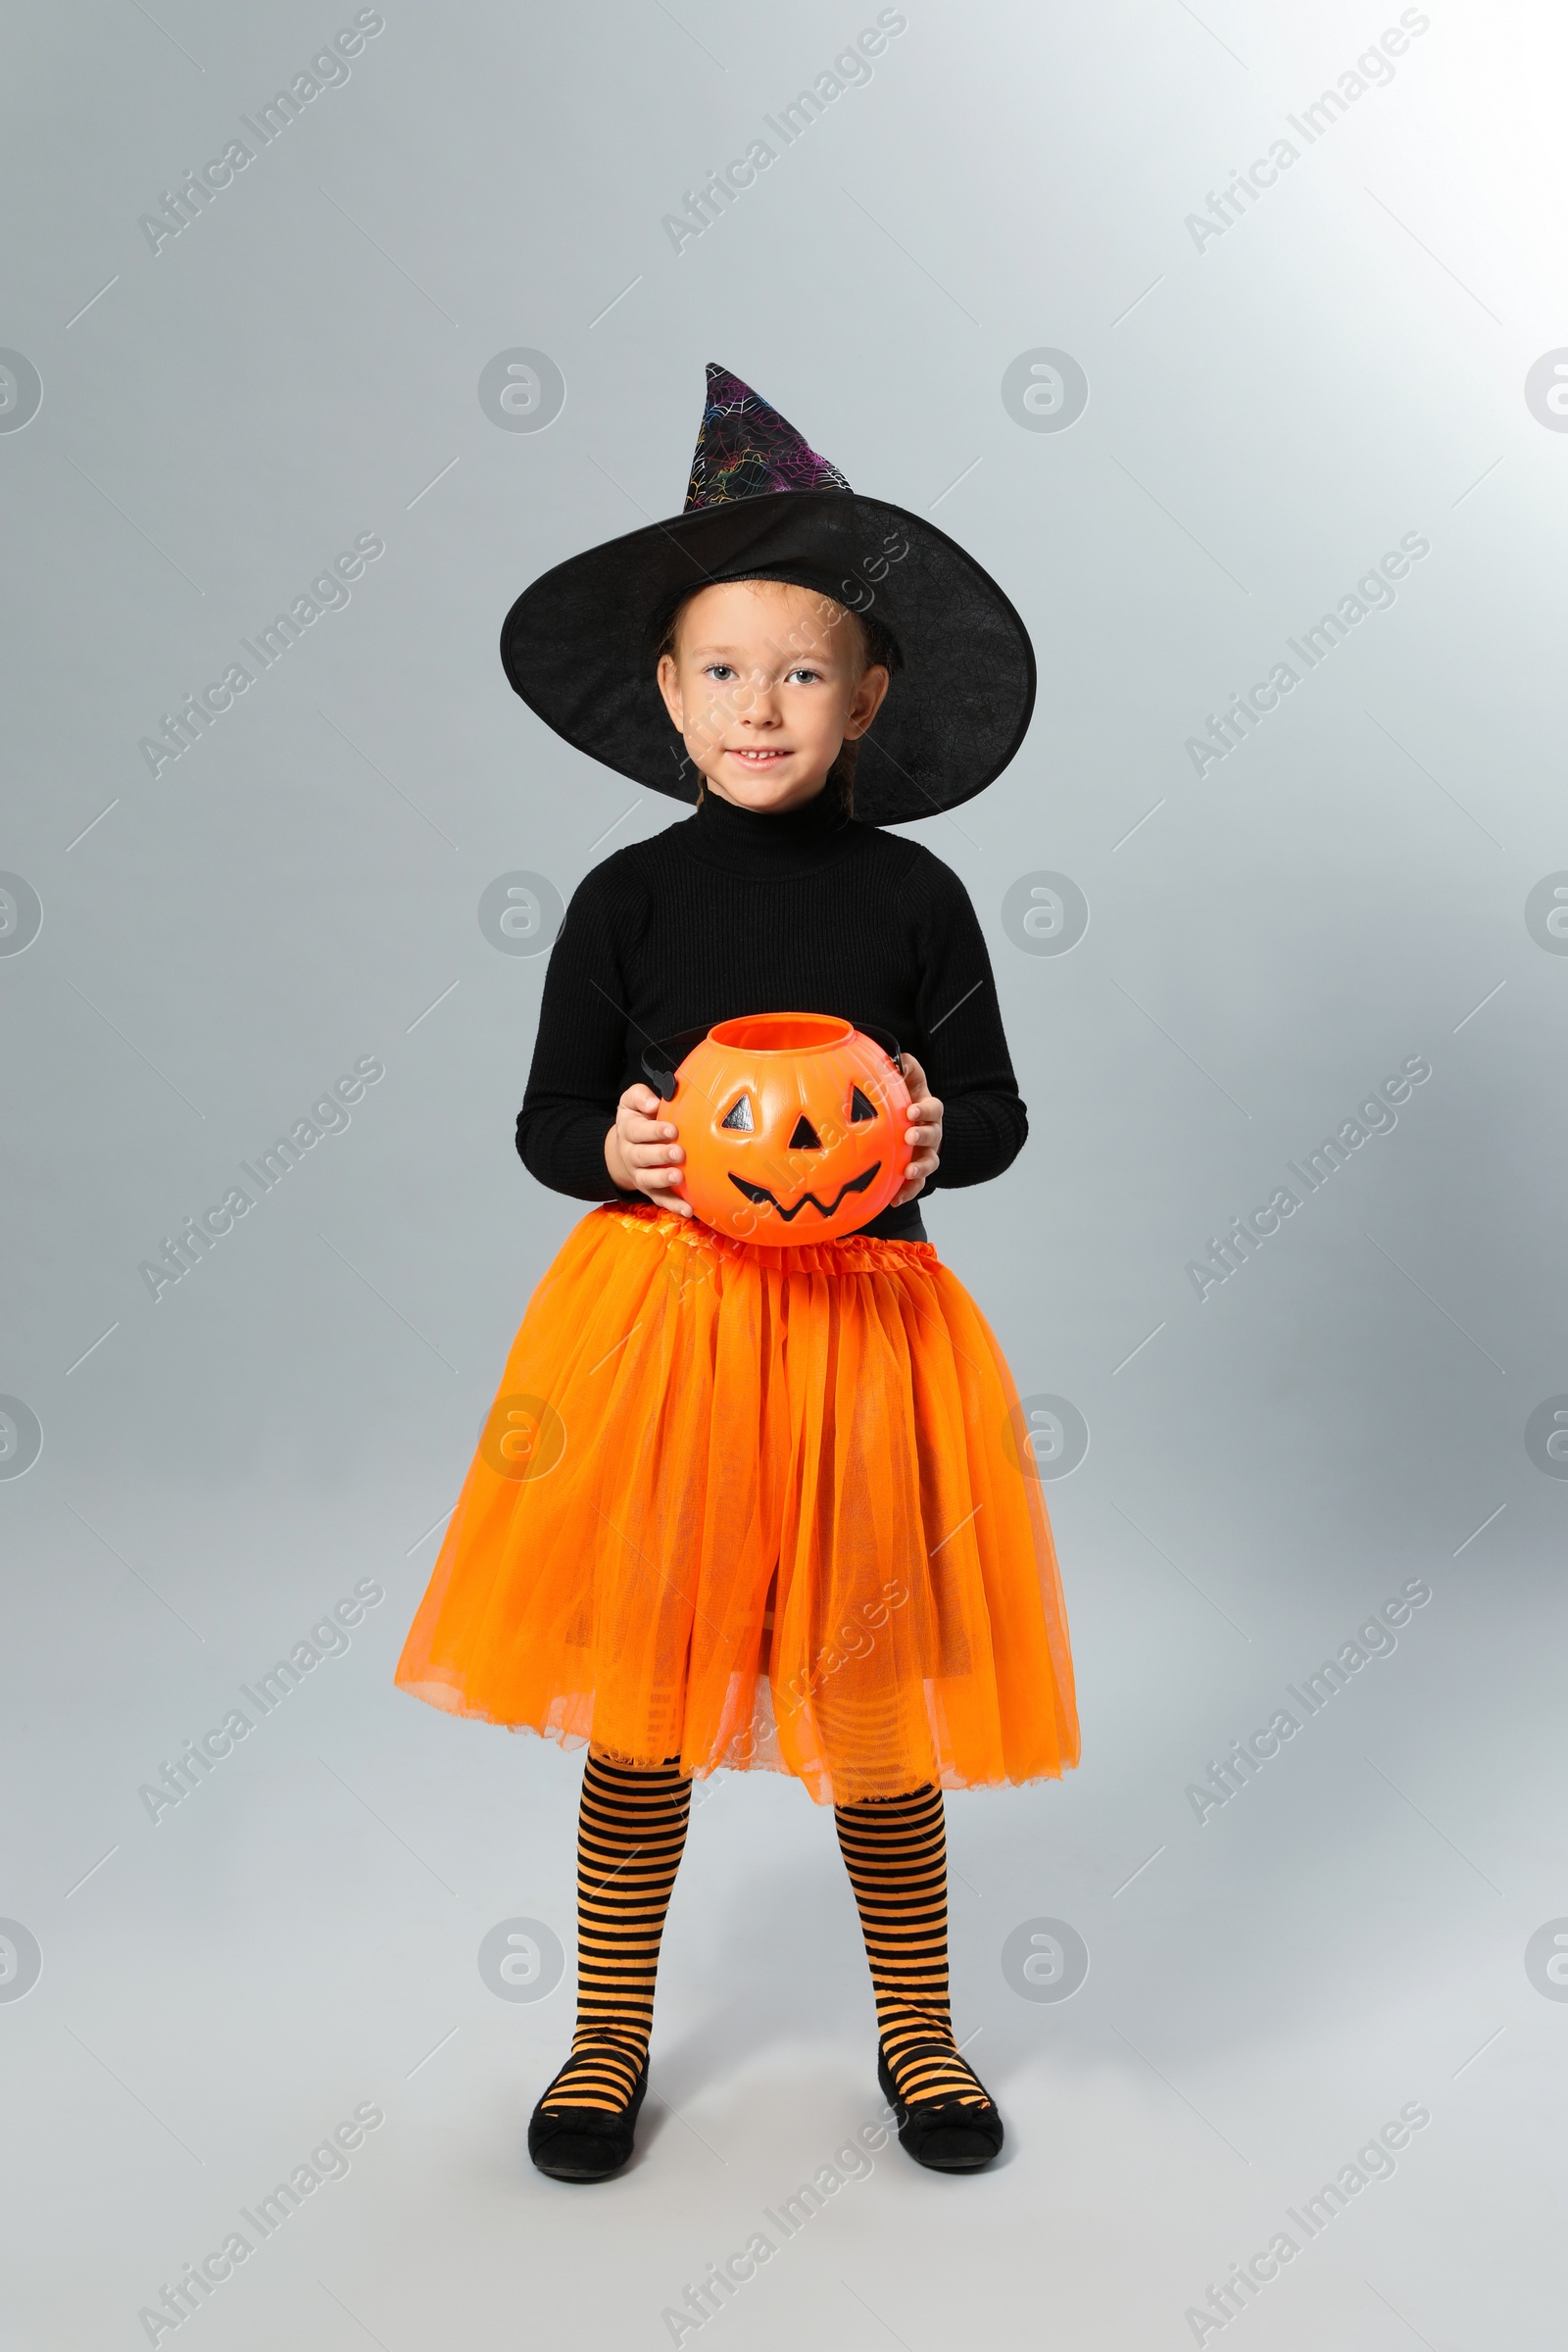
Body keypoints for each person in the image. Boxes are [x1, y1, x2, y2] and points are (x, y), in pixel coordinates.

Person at [395, 365, 1079, 2181]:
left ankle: (922, 2036)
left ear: (866, 700)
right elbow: (547, 1120)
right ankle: (604, 2038)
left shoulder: (915, 903)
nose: (758, 703)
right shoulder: (625, 899)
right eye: (721, 670)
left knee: (874, 1709)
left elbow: (999, 1112)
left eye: (800, 671)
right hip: (672, 1336)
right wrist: (609, 1152)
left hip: (864, 1340)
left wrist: (940, 1141)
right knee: (648, 1708)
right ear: (669, 700)